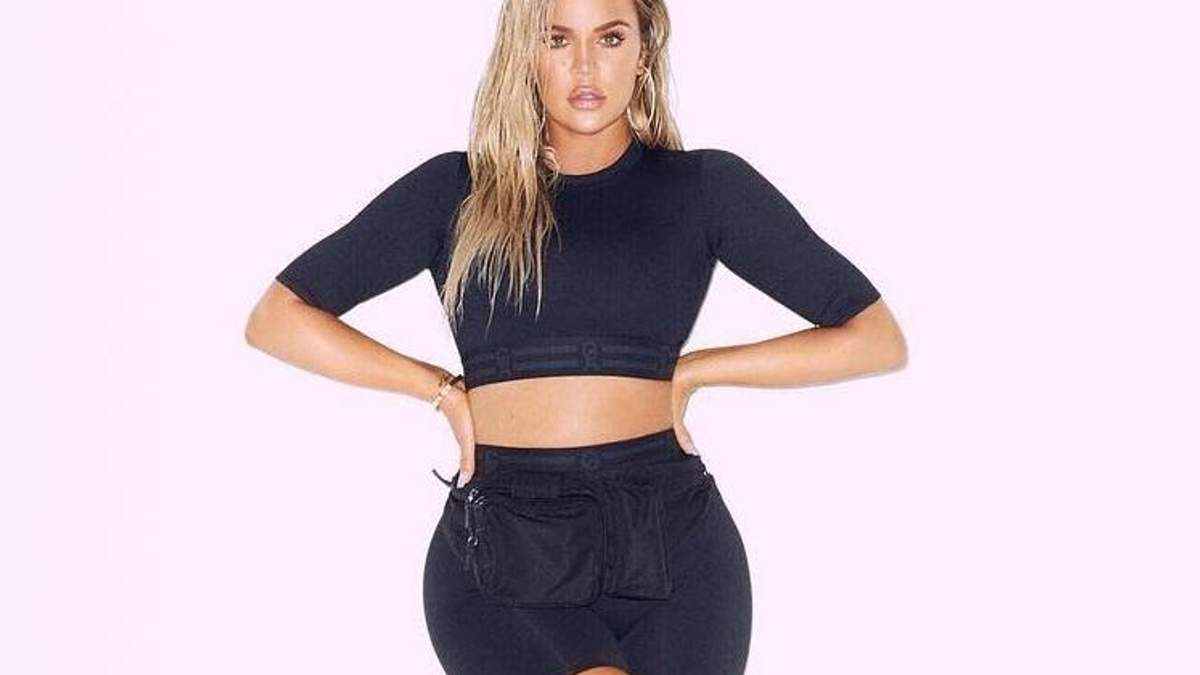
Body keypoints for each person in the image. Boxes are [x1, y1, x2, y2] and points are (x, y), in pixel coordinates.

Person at [245, 0, 907, 672]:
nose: (585, 66)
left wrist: (697, 370)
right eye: (557, 39)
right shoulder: (456, 190)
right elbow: (279, 316)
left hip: (672, 540)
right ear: (525, 55)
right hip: (506, 544)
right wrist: (441, 391)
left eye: (610, 38)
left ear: (643, 52)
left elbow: (873, 336)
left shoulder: (705, 188)